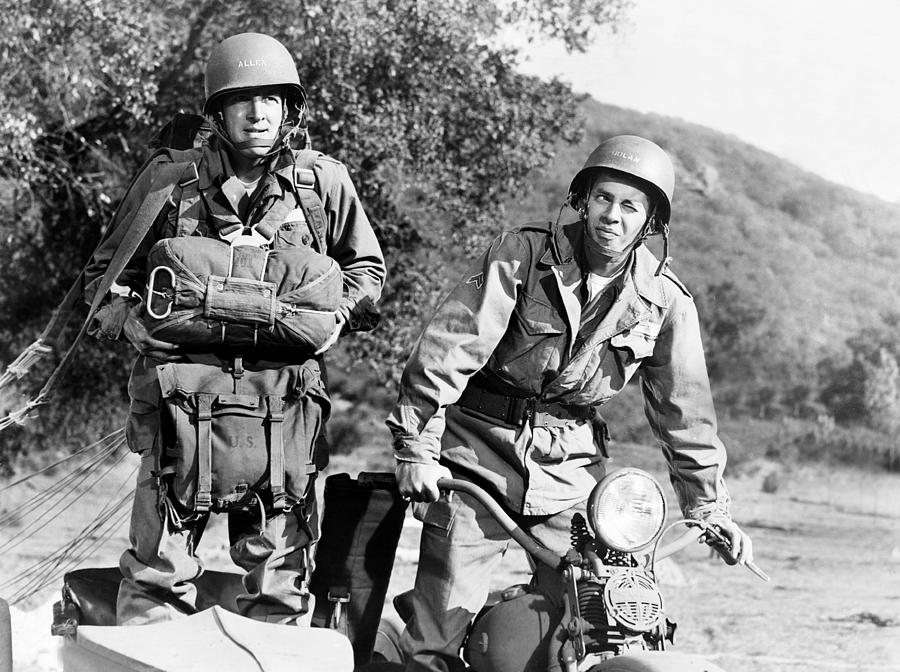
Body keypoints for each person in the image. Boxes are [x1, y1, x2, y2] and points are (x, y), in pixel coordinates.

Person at [385, 135, 753, 672]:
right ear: (583, 199)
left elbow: (685, 411)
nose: (612, 216)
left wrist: (710, 508)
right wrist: (417, 446)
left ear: (650, 222)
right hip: (476, 457)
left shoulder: (665, 300)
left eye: (630, 207)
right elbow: (449, 348)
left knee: (606, 617)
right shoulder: (524, 255)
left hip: (571, 472)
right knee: (436, 635)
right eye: (603, 198)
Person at [84, 32, 386, 626]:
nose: (258, 113)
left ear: (289, 108)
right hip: (179, 400)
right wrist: (129, 324)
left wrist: (334, 318)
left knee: (278, 576)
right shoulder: (168, 183)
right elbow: (103, 278)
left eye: (272, 99)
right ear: (216, 112)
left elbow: (367, 270)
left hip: (282, 405)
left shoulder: (321, 183)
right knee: (158, 572)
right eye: (243, 100)